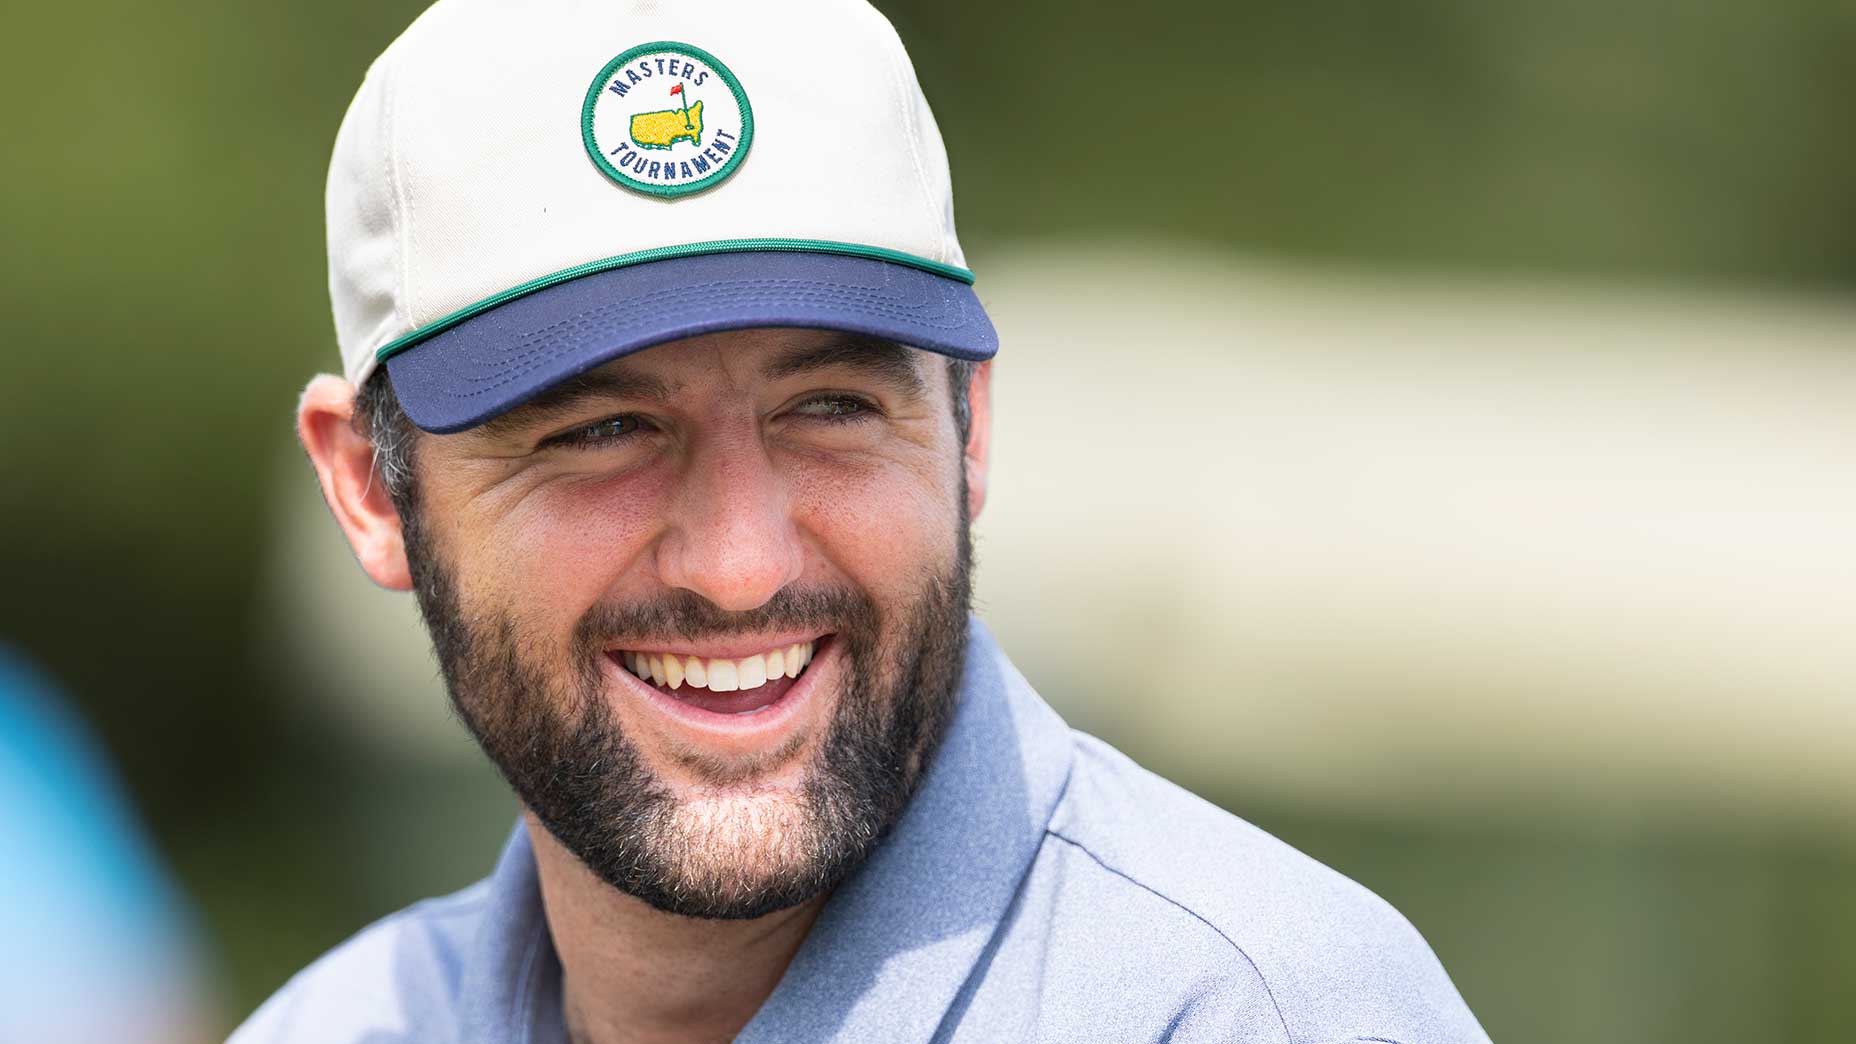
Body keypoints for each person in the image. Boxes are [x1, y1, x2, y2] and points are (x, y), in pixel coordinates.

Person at [236, 0, 1490, 1040]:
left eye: (829, 407)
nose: (739, 566)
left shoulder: (1260, 1014)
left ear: (968, 429)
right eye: (598, 431)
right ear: (369, 488)